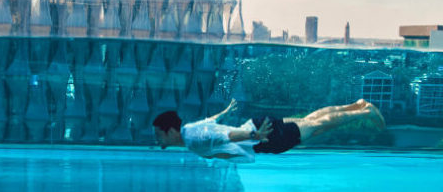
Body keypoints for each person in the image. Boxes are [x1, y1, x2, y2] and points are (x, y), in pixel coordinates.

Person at [152, 99, 385, 163]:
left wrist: (254, 136)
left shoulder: (193, 140)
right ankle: (356, 105)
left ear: (171, 131)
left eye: (159, 134)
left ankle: (365, 113)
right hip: (256, 126)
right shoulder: (190, 129)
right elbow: (211, 121)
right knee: (313, 121)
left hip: (261, 136)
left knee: (315, 126)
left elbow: (226, 136)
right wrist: (224, 112)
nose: (157, 139)